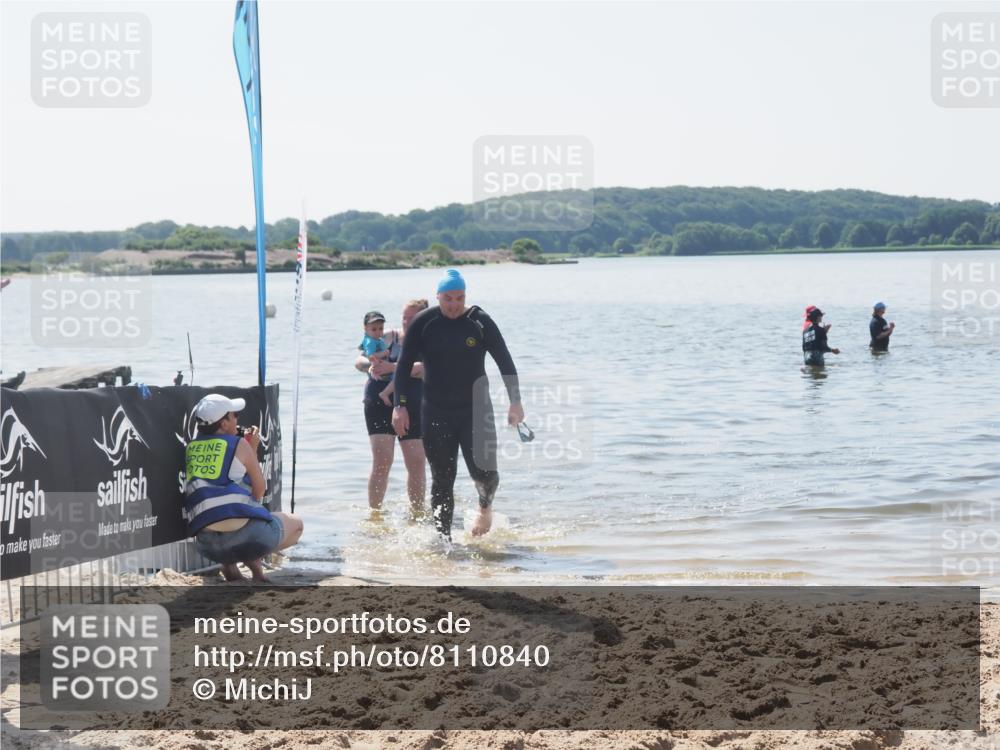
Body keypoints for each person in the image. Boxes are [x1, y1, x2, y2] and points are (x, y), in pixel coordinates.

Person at [392, 269, 523, 540]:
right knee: (442, 480)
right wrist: (399, 405)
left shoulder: (480, 322)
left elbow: (504, 360)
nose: (454, 304)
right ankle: (444, 541)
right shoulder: (423, 322)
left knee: (486, 475)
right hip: (436, 410)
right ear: (438, 296)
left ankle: (484, 507)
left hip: (476, 411)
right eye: (448, 298)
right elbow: (403, 366)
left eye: (459, 298)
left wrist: (515, 402)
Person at [183, 394, 303, 582]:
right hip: (248, 538)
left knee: (225, 514)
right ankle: (253, 560)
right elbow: (258, 491)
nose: (237, 418)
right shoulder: (239, 444)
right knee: (296, 525)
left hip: (207, 546)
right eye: (234, 415)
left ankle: (229, 565)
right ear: (224, 424)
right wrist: (251, 447)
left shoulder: (191, 448)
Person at [354, 300, 430, 512]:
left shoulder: (430, 340)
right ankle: (375, 514)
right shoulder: (388, 336)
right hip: (378, 402)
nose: (407, 322)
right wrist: (371, 365)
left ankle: (417, 514)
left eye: (412, 318)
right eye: (404, 317)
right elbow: (358, 360)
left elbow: (428, 368)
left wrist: (393, 366)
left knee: (416, 463)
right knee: (382, 461)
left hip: (414, 404)